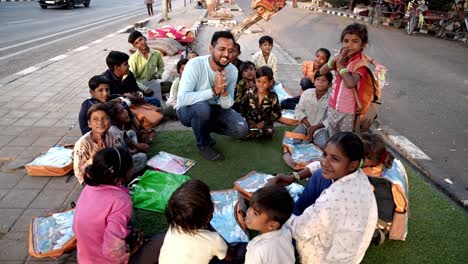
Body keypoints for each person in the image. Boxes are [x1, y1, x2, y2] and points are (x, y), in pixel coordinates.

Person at [282, 132, 378, 263]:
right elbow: (319, 166)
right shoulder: (359, 175)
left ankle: (293, 216)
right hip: (351, 252)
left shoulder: (333, 199)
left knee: (279, 227)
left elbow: (300, 231)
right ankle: (297, 212)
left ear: (353, 164)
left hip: (325, 259)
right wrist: (293, 178)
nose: (325, 162)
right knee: (319, 175)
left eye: (335, 159)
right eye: (325, 154)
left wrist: (277, 208)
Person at [175, 31, 248, 161]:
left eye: (230, 50)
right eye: (222, 49)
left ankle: (203, 127)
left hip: (214, 109)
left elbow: (227, 104)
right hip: (187, 109)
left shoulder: (232, 71)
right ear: (211, 49)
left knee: (242, 129)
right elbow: (182, 99)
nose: (226, 54)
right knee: (202, 108)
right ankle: (203, 145)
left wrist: (224, 91)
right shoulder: (195, 64)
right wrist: (214, 91)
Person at [74, 147, 137, 263]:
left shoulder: (89, 188)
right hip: (106, 260)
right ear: (120, 175)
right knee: (158, 241)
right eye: (131, 164)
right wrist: (130, 252)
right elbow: (112, 251)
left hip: (84, 258)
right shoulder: (121, 201)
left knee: (131, 224)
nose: (134, 166)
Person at [319, 23, 372, 137]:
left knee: (343, 141)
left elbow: (350, 83)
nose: (349, 45)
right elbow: (322, 71)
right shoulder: (340, 57)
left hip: (348, 112)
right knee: (332, 136)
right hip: (333, 106)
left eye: (355, 41)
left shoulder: (360, 64)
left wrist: (341, 66)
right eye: (346, 41)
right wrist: (334, 60)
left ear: (363, 44)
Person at [159, 179, 228, 264]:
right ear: (209, 214)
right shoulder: (214, 240)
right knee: (241, 250)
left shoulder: (175, 225)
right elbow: (227, 257)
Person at [244, 185, 295, 264]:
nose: (248, 212)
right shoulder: (285, 231)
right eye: (250, 207)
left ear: (273, 225)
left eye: (255, 213)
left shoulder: (256, 251)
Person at [73, 104, 123, 184]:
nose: (100, 122)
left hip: (111, 174)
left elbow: (120, 156)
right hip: (92, 180)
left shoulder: (112, 136)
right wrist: (97, 157)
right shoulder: (82, 144)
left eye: (105, 118)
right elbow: (79, 173)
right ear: (89, 124)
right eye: (95, 119)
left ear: (110, 121)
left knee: (140, 158)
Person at [291, 71, 333, 148]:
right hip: (305, 125)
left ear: (330, 84)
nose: (320, 82)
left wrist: (314, 128)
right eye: (318, 79)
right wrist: (309, 127)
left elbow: (330, 119)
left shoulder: (332, 98)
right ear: (314, 82)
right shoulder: (307, 93)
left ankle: (311, 139)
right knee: (294, 139)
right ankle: (309, 139)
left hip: (320, 129)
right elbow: (298, 110)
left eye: (324, 80)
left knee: (324, 145)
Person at [106, 100, 149, 175]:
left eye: (124, 109)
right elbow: (120, 156)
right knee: (142, 157)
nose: (126, 112)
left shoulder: (120, 125)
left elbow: (126, 137)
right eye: (121, 112)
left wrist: (136, 145)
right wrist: (135, 150)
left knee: (131, 133)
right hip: (119, 162)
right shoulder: (113, 132)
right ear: (113, 119)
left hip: (123, 148)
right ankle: (126, 177)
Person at [241, 66, 281, 139]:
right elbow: (243, 108)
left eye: (264, 82)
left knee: (268, 132)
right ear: (255, 80)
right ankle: (251, 132)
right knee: (241, 129)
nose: (261, 85)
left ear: (270, 82)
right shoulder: (249, 93)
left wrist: (264, 123)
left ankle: (254, 134)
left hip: (264, 125)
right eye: (258, 81)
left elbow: (277, 113)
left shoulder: (273, 97)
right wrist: (249, 120)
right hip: (249, 123)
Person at [128, 30, 165, 102]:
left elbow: (161, 68)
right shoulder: (133, 59)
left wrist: (156, 76)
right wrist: (144, 88)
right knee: (148, 105)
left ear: (144, 38)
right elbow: (131, 79)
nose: (141, 43)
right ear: (134, 46)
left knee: (159, 103)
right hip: (139, 86)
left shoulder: (156, 53)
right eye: (137, 43)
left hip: (153, 82)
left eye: (141, 39)